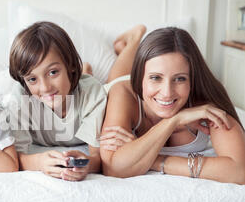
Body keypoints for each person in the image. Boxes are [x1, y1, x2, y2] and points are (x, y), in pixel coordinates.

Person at [100, 27, 245, 184]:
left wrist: (156, 160)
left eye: (180, 79)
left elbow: (239, 172)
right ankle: (134, 40)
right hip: (124, 84)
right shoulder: (123, 93)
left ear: (192, 78)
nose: (167, 93)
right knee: (116, 77)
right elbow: (113, 169)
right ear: (140, 77)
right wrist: (173, 121)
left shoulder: (204, 102)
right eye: (156, 77)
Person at [8, 21, 146, 181]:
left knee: (115, 84)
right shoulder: (20, 97)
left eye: (53, 72)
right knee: (83, 84)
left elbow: (99, 157)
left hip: (87, 90)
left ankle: (133, 40)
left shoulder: (92, 94)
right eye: (32, 79)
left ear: (71, 65)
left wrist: (84, 163)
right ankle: (84, 71)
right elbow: (13, 157)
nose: (45, 87)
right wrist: (39, 161)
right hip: (74, 86)